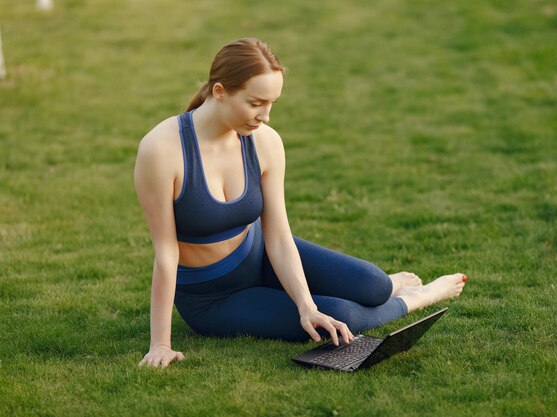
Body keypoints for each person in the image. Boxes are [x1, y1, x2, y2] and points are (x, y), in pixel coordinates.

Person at [134, 38, 468, 368]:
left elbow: (278, 236)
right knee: (343, 315)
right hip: (214, 298)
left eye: (272, 104)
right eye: (255, 103)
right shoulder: (162, 151)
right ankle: (418, 298)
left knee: (374, 284)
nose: (264, 116)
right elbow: (166, 252)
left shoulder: (264, 142)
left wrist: (306, 305)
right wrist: (160, 344)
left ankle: (389, 287)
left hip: (261, 255)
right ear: (219, 91)